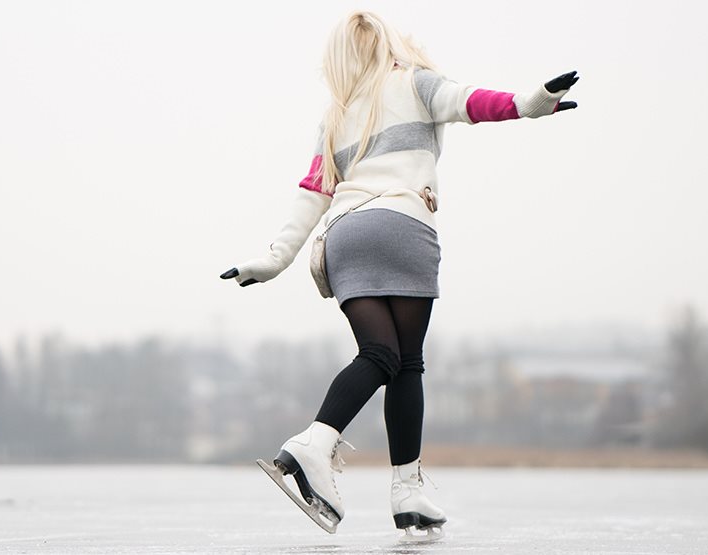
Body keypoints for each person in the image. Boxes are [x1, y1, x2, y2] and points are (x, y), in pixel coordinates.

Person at [220, 10, 579, 536]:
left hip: (345, 237)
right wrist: (529, 103)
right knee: (405, 363)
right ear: (391, 44)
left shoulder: (336, 113)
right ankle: (373, 472)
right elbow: (470, 102)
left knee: (378, 354)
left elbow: (312, 192)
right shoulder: (416, 82)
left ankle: (340, 458)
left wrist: (274, 259)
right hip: (402, 228)